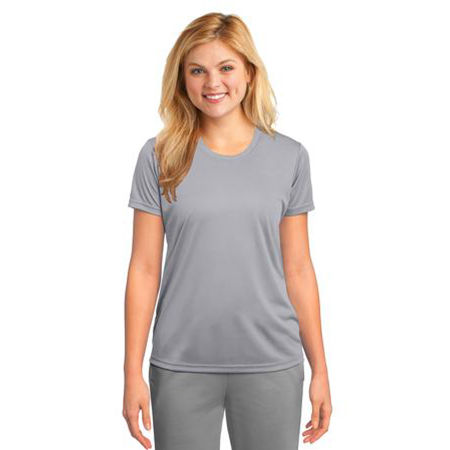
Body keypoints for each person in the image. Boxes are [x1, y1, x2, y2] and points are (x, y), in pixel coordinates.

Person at [123, 12, 332, 450]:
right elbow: (144, 269)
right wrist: (131, 373)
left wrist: (321, 370)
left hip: (271, 362)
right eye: (197, 70)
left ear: (249, 73)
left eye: (226, 67)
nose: (212, 82)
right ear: (182, 78)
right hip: (181, 365)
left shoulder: (290, 157)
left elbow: (298, 269)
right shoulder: (158, 156)